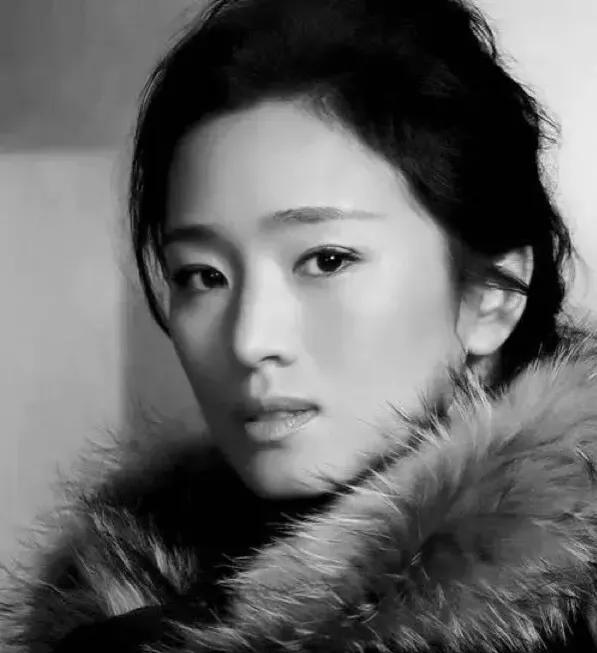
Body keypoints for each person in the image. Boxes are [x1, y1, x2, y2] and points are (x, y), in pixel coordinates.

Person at [2, 0, 597, 650]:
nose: (249, 341)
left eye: (326, 260)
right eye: (201, 275)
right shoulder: (111, 615)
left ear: (492, 296)